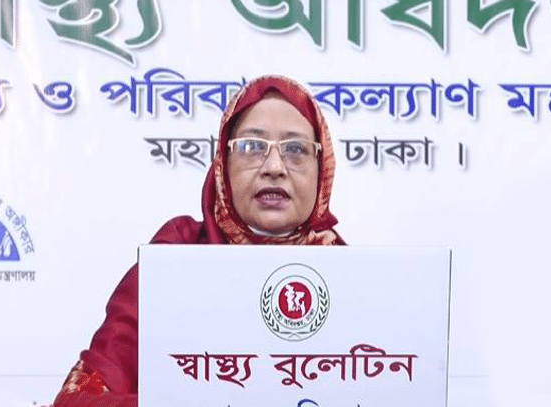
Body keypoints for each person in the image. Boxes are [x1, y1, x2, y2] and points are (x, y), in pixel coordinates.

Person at [52, 75, 345, 407]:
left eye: (295, 149)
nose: (274, 167)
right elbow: (75, 401)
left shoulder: (347, 275)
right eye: (252, 147)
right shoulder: (174, 258)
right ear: (222, 165)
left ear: (322, 169)